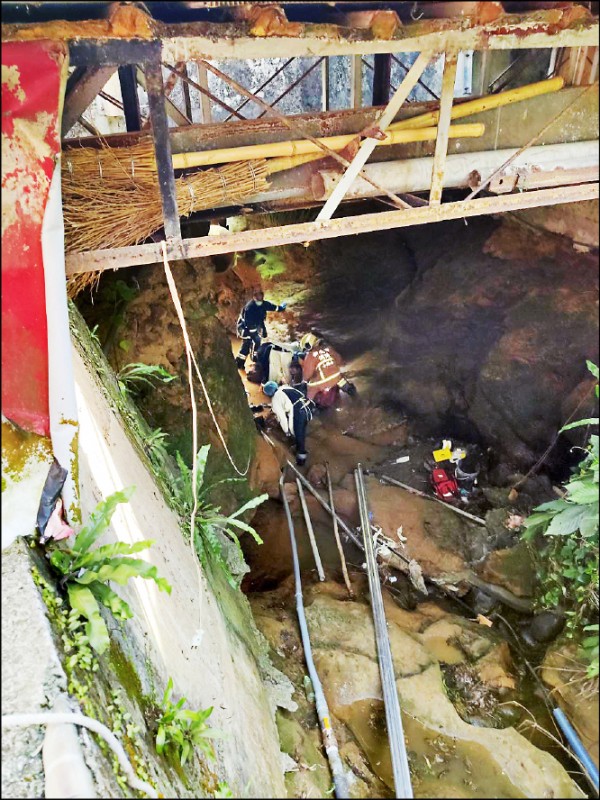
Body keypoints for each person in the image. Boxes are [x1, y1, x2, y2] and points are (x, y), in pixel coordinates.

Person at [298, 332, 357, 408]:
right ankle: (354, 395)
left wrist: (304, 381)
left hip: (322, 384)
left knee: (309, 393)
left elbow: (307, 375)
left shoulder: (310, 357)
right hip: (337, 378)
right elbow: (340, 362)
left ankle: (310, 407)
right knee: (342, 381)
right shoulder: (329, 349)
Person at [262, 380, 314, 465]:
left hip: (298, 412)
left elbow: (282, 418)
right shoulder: (285, 387)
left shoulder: (275, 399)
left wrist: (287, 431)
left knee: (298, 434)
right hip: (306, 406)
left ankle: (301, 458)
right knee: (302, 428)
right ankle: (299, 445)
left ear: (269, 393)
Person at [235, 288, 287, 369]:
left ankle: (240, 362)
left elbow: (271, 307)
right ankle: (253, 360)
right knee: (253, 342)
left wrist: (281, 308)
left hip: (253, 326)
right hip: (244, 328)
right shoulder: (250, 308)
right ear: (254, 298)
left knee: (250, 344)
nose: (260, 302)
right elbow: (250, 325)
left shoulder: (263, 304)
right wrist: (256, 335)